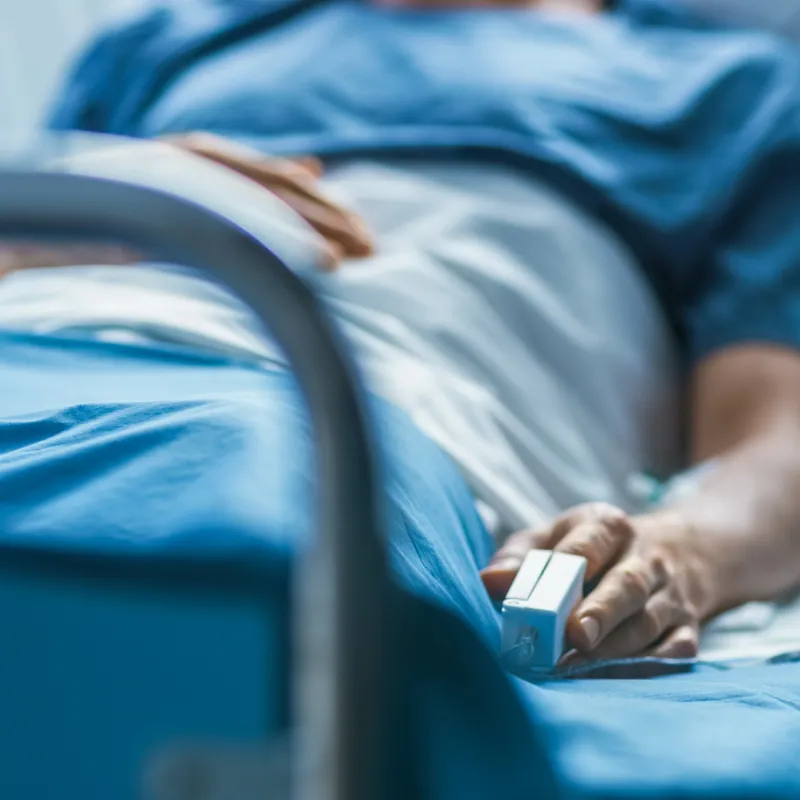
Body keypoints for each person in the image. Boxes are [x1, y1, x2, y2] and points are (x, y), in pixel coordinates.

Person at [7, 0, 800, 667]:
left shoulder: (733, 89)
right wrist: (117, 197)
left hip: (341, 417)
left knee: (228, 562)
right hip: (38, 351)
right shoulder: (165, 41)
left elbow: (774, 441)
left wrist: (683, 552)